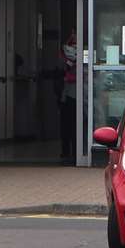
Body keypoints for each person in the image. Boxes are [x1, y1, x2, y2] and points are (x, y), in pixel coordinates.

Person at [58, 32, 78, 165]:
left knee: (68, 124)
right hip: (72, 94)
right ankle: (73, 151)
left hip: (69, 94)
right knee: (72, 124)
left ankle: (68, 150)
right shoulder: (75, 53)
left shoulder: (63, 53)